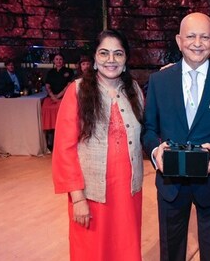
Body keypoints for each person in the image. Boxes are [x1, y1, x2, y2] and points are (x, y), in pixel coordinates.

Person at [142, 12, 210, 261]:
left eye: (204, 37)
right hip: (170, 184)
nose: (197, 43)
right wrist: (156, 150)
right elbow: (148, 129)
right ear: (179, 40)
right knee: (170, 252)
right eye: (191, 36)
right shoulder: (159, 81)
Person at [52, 29, 144, 261]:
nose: (110, 60)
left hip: (128, 191)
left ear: (125, 60)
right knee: (91, 250)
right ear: (94, 58)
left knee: (125, 247)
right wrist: (78, 198)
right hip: (90, 192)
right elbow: (64, 148)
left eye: (118, 54)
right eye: (104, 53)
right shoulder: (78, 90)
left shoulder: (133, 90)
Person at [41, 53, 74, 150]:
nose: (58, 61)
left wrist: (59, 96)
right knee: (45, 108)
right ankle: (49, 139)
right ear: (54, 61)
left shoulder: (69, 71)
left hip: (63, 97)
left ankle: (61, 139)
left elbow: (68, 85)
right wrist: (52, 96)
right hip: (51, 97)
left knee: (61, 109)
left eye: (60, 59)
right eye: (56, 59)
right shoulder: (50, 72)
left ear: (63, 61)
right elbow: (47, 86)